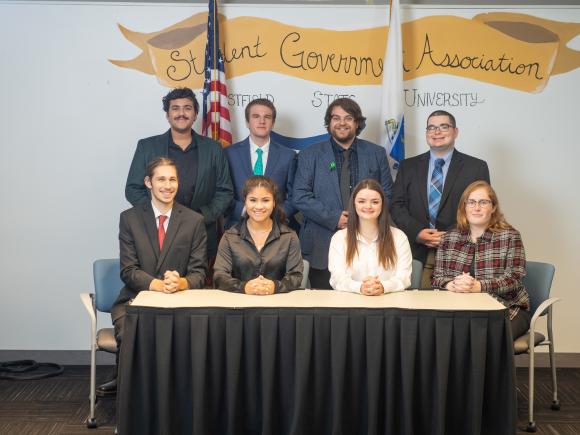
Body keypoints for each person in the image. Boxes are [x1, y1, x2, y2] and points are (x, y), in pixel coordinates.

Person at [97, 157, 207, 396]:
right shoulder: (130, 219)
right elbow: (128, 270)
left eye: (172, 179)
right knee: (135, 335)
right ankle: (131, 397)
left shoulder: (194, 221)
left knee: (191, 340)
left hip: (179, 303)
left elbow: (199, 273)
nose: (167, 186)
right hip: (134, 301)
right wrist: (158, 285)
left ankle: (175, 400)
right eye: (161, 179)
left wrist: (181, 283)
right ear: (148, 182)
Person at [293, 98, 393, 289]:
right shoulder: (309, 154)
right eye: (336, 118)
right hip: (321, 243)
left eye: (348, 118)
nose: (342, 123)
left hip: (369, 244)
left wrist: (362, 218)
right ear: (329, 122)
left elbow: (387, 193)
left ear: (357, 123)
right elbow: (300, 195)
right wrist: (334, 217)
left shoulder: (376, 153)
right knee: (324, 310)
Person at [125, 87, 233, 259]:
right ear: (167, 114)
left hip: (202, 232)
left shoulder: (213, 148)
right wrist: (160, 215)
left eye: (187, 108)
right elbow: (133, 189)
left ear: (196, 114)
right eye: (175, 108)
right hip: (158, 233)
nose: (181, 113)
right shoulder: (147, 147)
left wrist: (200, 217)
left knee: (198, 284)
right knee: (159, 284)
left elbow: (224, 191)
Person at [390, 110, 490, 287]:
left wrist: (449, 236)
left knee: (454, 309)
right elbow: (397, 205)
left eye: (444, 127)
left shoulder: (476, 167)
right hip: (414, 250)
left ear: (456, 132)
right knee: (414, 307)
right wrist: (418, 232)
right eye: (431, 128)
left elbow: (480, 209)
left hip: (459, 251)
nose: (437, 132)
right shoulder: (408, 166)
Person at [431, 180, 530, 339]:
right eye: (471, 202)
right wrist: (453, 284)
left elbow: (515, 279)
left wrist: (478, 286)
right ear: (464, 206)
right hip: (461, 308)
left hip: (506, 308)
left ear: (493, 207)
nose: (476, 207)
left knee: (486, 338)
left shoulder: (510, 236)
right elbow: (436, 278)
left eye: (483, 202)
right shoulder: (449, 238)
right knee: (438, 334)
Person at [214, 176, 303, 294]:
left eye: (266, 200)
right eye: (253, 200)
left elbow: (295, 276)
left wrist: (275, 286)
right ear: (245, 201)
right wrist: (244, 287)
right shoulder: (229, 237)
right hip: (238, 306)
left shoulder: (289, 237)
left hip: (279, 306)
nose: (259, 206)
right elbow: (220, 276)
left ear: (274, 203)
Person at [328, 179, 412, 294]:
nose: (368, 206)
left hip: (389, 304)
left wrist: (383, 287)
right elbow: (337, 278)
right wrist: (360, 287)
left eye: (375, 202)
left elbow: (404, 278)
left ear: (382, 204)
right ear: (354, 204)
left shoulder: (399, 237)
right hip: (351, 305)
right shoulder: (339, 238)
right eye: (361, 201)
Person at [225, 98, 297, 228]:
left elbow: (294, 197)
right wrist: (245, 211)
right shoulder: (229, 154)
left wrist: (274, 215)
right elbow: (223, 193)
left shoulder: (288, 156)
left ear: (273, 123)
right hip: (237, 228)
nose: (262, 121)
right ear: (247, 122)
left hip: (277, 228)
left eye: (267, 117)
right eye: (256, 116)